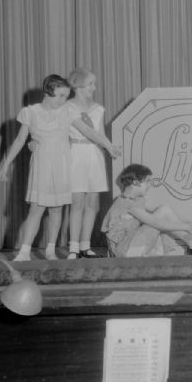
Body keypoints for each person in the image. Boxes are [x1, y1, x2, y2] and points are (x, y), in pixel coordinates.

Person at [0, 74, 120, 262]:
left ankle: (50, 250)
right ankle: (24, 252)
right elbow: (19, 141)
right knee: (36, 210)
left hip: (62, 165)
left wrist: (108, 145)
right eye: (61, 96)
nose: (65, 100)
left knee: (56, 210)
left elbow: (89, 131)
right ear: (49, 91)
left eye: (66, 96)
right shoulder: (31, 112)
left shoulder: (68, 112)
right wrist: (5, 165)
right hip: (41, 166)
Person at [101, 164, 192, 257]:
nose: (150, 185)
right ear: (135, 182)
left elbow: (161, 212)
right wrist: (184, 226)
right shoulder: (126, 203)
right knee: (161, 217)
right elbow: (155, 222)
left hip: (132, 246)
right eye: (147, 181)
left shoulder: (136, 200)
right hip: (125, 251)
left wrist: (182, 223)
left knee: (164, 209)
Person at [66, 68, 113, 259]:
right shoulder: (67, 108)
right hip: (75, 154)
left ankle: (86, 245)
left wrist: (106, 148)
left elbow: (99, 133)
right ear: (78, 86)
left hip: (94, 154)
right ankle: (73, 247)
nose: (94, 88)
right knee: (77, 202)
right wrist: (109, 146)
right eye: (90, 84)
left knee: (92, 202)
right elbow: (86, 131)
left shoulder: (98, 109)